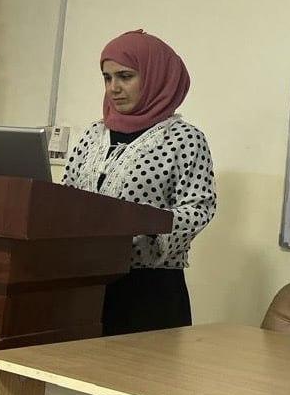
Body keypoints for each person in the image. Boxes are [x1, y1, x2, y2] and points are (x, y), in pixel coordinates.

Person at [62, 30, 217, 336]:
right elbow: (67, 194)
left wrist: (145, 224)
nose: (114, 88)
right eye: (107, 78)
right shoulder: (94, 134)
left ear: (156, 77)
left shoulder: (183, 139)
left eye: (125, 76)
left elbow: (199, 207)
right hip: (86, 282)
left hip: (148, 289)